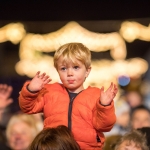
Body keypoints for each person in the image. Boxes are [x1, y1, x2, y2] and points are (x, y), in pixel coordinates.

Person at [19, 42, 118, 150]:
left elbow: (105, 126)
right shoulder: (50, 91)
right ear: (57, 71)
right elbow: (27, 107)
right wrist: (30, 90)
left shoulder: (96, 96)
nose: (70, 73)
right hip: (56, 146)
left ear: (87, 71)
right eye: (63, 69)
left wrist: (104, 105)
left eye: (76, 67)